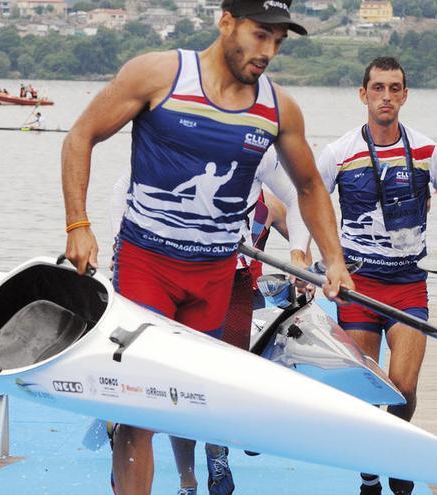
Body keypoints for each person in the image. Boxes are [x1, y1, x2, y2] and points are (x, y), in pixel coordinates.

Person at [61, 0, 352, 492]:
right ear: (226, 22)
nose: (269, 51)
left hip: (215, 275)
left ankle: (189, 474)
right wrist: (78, 224)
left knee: (189, 397)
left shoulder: (279, 108)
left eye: (278, 42)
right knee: (141, 406)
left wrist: (335, 259)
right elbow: (80, 136)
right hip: (146, 263)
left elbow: (307, 188)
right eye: (261, 35)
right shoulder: (157, 75)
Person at [316, 56, 437, 495]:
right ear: (363, 94)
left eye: (395, 88)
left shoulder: (426, 150)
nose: (386, 96)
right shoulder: (339, 152)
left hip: (409, 284)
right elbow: (307, 203)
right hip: (358, 286)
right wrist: (318, 256)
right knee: (368, 389)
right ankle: (371, 470)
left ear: (405, 95)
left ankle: (391, 450)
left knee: (403, 389)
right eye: (378, 88)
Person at [108, 147, 312, 494]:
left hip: (232, 283)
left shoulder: (257, 156)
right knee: (170, 391)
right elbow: (122, 190)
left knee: (212, 388)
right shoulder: (164, 139)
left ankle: (218, 446)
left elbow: (298, 197)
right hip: (169, 277)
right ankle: (187, 480)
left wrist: (299, 256)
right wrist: (118, 248)